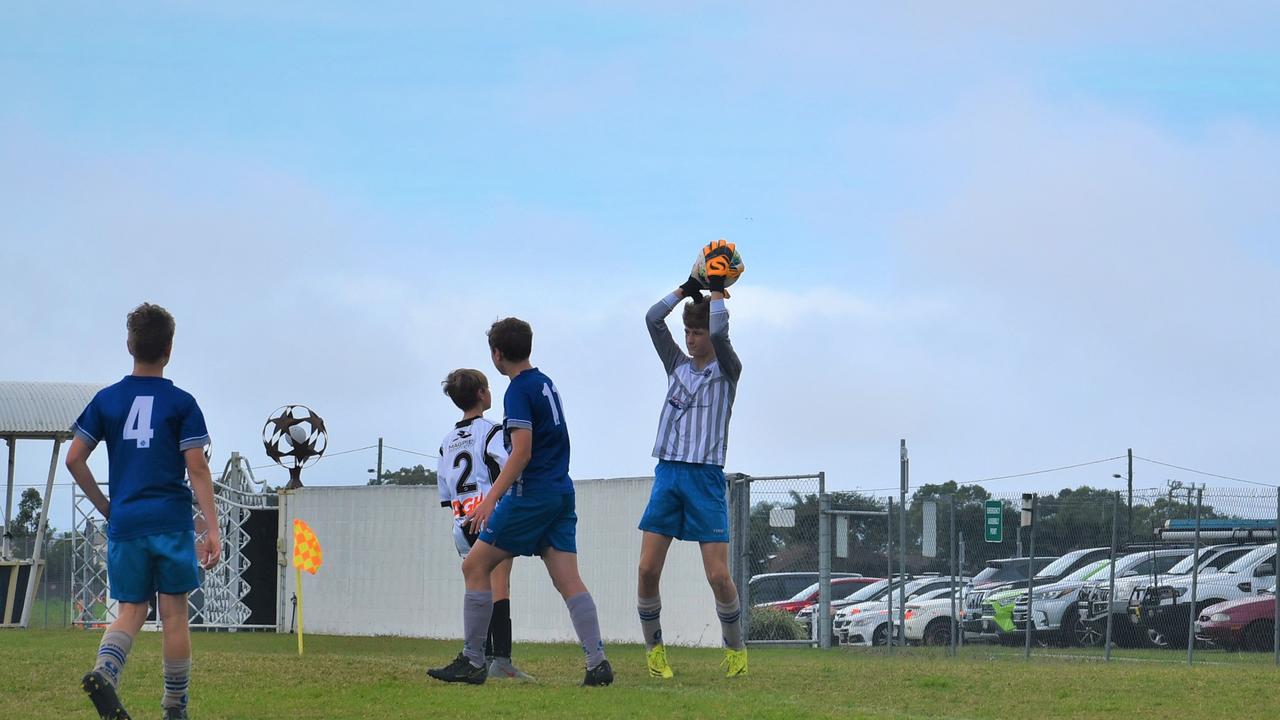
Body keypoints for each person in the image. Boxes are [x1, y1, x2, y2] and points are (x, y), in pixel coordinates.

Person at [428, 317, 612, 686]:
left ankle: (473, 660)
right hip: (560, 492)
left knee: (474, 567)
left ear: (497, 355)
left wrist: (490, 499)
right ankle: (598, 664)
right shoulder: (545, 383)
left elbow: (522, 452)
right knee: (569, 580)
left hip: (530, 495)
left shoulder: (517, 391)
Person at [66, 303, 220, 720]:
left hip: (127, 523)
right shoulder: (182, 403)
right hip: (169, 523)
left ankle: (106, 673)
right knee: (174, 615)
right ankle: (174, 707)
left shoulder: (107, 401)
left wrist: (105, 505)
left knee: (131, 611)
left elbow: (75, 458)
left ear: (129, 345)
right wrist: (211, 527)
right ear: (169, 348)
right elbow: (197, 467)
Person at [637, 240, 748, 678]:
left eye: (697, 332)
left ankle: (736, 652)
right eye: (688, 332)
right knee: (646, 569)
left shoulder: (728, 370)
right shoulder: (676, 365)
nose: (692, 338)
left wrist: (718, 291)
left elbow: (721, 334)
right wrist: (686, 289)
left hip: (704, 479)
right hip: (668, 473)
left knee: (718, 577)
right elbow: (651, 319)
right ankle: (654, 653)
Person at [436, 368, 532, 681]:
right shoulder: (491, 432)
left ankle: (480, 656)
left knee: (477, 588)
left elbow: (446, 492)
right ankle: (499, 659)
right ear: (481, 394)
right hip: (489, 517)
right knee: (499, 586)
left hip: (461, 522)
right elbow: (510, 468)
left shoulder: (446, 442)